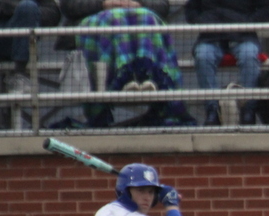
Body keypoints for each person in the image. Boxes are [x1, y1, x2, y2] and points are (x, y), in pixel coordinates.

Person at [55, 0, 196, 127]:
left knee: (143, 15)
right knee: (115, 17)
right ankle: (123, 80)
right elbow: (69, 5)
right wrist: (104, 4)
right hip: (94, 23)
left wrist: (138, 4)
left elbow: (162, 5)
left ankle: (146, 78)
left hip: (137, 16)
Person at [185, 0, 269, 126]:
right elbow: (190, 9)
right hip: (210, 38)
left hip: (243, 37)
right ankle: (213, 111)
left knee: (249, 55)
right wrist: (203, 21)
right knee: (202, 56)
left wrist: (248, 23)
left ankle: (248, 111)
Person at [0, 0, 61, 92]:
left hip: (19, 40)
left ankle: (19, 77)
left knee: (28, 7)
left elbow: (53, 14)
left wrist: (30, 15)